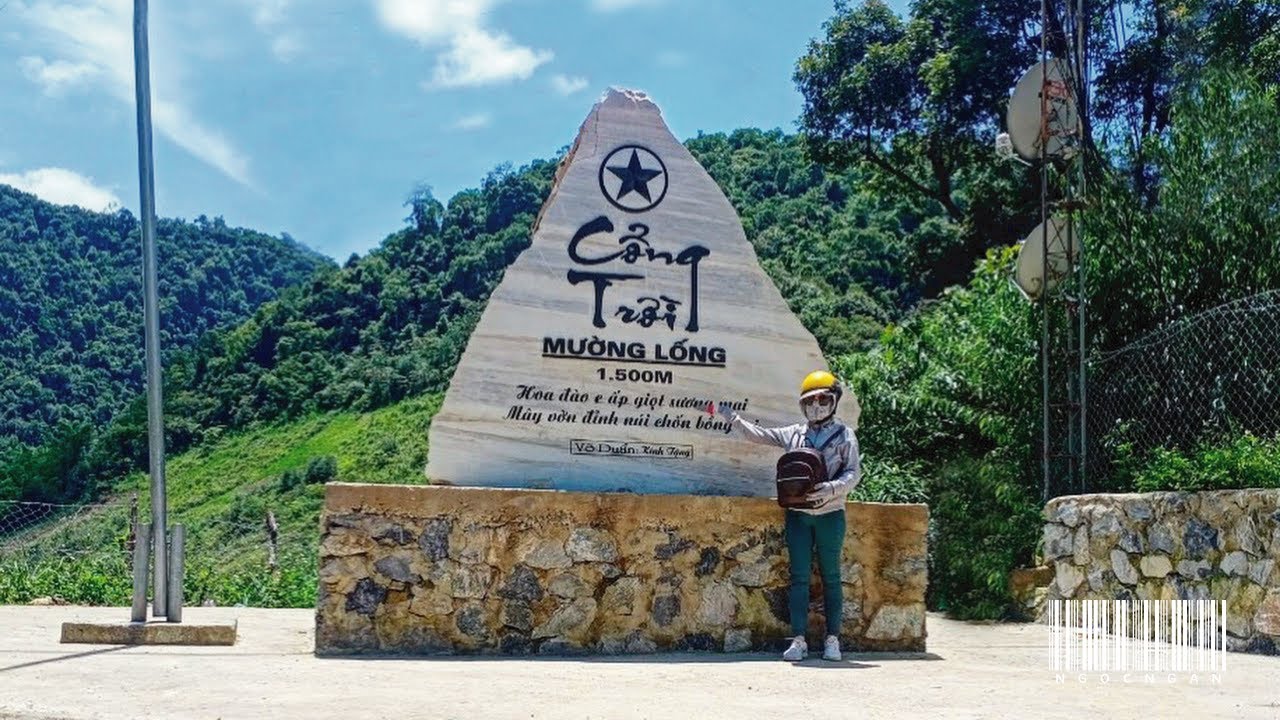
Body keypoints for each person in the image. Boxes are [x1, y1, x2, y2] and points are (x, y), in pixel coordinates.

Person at [717, 370, 862, 662]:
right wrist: (733, 419)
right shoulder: (795, 433)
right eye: (810, 401)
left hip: (830, 513)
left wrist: (831, 488)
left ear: (834, 401)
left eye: (824, 399)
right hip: (798, 513)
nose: (817, 406)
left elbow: (853, 473)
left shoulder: (844, 435)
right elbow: (762, 435)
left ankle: (832, 638)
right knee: (799, 577)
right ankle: (799, 638)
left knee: (831, 576)